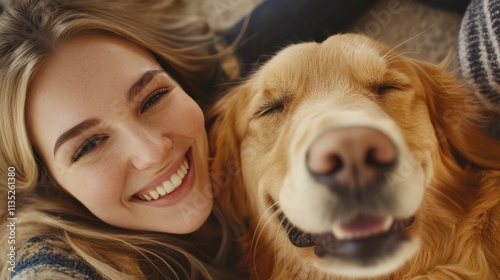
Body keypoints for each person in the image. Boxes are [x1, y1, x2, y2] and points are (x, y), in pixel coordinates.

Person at [0, 0, 378, 279]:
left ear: (175, 78)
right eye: (88, 145)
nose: (152, 152)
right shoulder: (51, 262)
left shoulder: (223, 85)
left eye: (153, 97)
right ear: (53, 183)